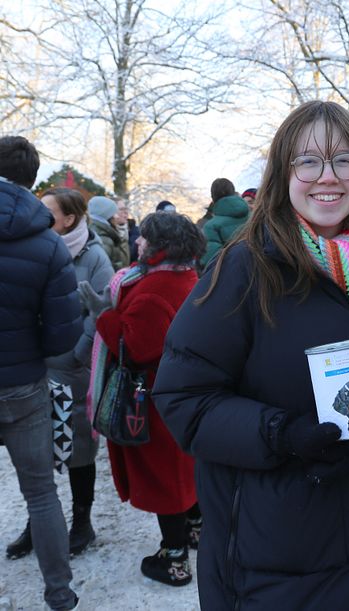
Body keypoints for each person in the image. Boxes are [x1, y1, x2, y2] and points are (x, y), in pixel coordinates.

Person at [151, 100, 349, 610]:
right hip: (281, 558)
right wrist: (282, 433)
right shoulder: (244, 269)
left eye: (344, 160)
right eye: (308, 161)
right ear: (282, 174)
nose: (329, 176)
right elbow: (183, 398)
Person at [80, 212, 205, 586]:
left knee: (165, 479)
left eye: (145, 239)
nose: (138, 243)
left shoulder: (154, 290)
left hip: (150, 402)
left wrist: (104, 314)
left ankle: (174, 558)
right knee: (185, 471)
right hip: (179, 396)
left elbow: (135, 346)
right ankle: (197, 529)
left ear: (161, 247)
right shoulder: (186, 276)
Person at [7, 188, 115, 561]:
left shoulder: (95, 255)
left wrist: (76, 354)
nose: (39, 214)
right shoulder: (33, 249)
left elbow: (102, 310)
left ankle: (81, 521)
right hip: (36, 366)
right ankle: (40, 522)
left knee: (79, 448)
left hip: (73, 367)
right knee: (37, 450)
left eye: (48, 210)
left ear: (69, 218)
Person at [0, 136, 81, 611]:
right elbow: (60, 337)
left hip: (22, 380)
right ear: (33, 180)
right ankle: (60, 593)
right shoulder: (48, 244)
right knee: (41, 494)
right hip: (23, 386)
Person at [200, 178, 250, 267]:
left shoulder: (211, 226)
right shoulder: (254, 217)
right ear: (234, 192)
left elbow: (210, 261)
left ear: (213, 198)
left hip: (232, 274)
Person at [88, 195, 130, 270]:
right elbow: (103, 268)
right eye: (114, 213)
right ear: (106, 215)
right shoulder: (103, 238)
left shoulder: (107, 233)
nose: (116, 217)